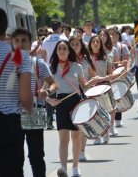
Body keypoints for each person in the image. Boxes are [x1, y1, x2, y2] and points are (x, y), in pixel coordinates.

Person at [47, 40, 99, 177]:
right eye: (59, 49)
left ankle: (75, 167)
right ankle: (63, 167)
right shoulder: (51, 68)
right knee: (63, 138)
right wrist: (48, 100)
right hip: (60, 104)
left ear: (69, 51)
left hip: (76, 103)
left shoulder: (77, 66)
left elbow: (84, 86)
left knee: (76, 137)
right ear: (56, 52)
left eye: (64, 48)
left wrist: (92, 82)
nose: (62, 51)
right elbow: (44, 90)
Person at [11, 28, 57, 177]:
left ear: (30, 43)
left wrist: (47, 92)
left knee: (36, 155)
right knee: (15, 157)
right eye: (16, 40)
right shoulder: (8, 62)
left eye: (24, 40)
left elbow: (54, 84)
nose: (20, 44)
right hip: (13, 114)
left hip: (34, 111)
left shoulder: (38, 63)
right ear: (12, 43)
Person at [0, 8, 33, 177]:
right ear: (5, 29)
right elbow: (26, 98)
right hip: (8, 123)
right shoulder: (19, 56)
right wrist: (29, 109)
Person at [88, 35, 121, 145]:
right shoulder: (87, 58)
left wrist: (104, 79)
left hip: (104, 86)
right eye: (93, 42)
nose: (96, 43)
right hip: (92, 88)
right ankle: (97, 135)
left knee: (106, 111)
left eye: (97, 42)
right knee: (94, 113)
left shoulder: (106, 57)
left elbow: (111, 74)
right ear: (90, 44)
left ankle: (106, 132)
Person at [69, 35, 97, 161]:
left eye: (77, 44)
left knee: (83, 124)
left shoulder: (86, 59)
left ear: (81, 46)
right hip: (70, 94)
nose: (75, 46)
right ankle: (76, 148)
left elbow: (93, 76)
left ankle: (82, 151)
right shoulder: (65, 59)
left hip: (84, 93)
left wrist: (91, 88)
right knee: (72, 125)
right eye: (73, 44)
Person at [41, 19, 68, 130]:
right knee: (62, 92)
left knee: (49, 94)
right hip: (61, 67)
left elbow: (43, 55)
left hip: (49, 68)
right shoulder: (63, 38)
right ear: (60, 27)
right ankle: (65, 117)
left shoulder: (46, 40)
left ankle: (49, 121)